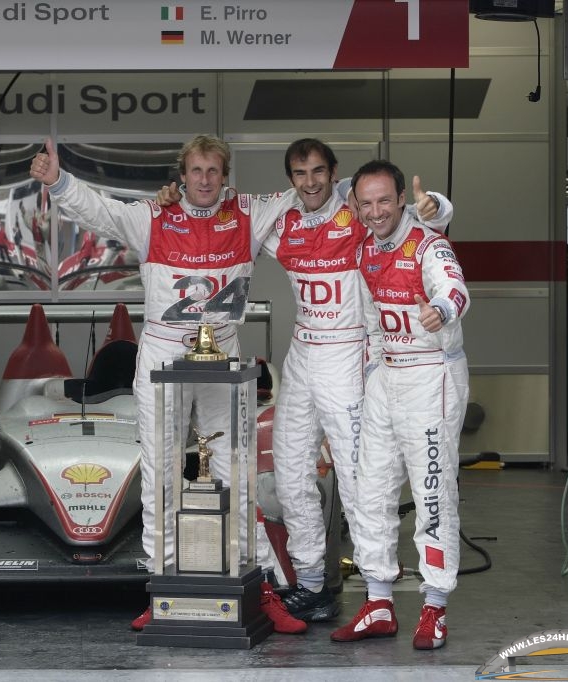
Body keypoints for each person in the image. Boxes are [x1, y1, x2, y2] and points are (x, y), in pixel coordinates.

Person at [158, 139, 452, 624]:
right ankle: (312, 581)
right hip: (302, 354)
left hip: (348, 355)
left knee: (361, 483)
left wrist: (435, 205)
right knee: (291, 473)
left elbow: (423, 221)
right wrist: (175, 198)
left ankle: (377, 591)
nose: (310, 181)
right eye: (300, 173)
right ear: (290, 179)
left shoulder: (361, 214)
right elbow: (219, 217)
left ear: (334, 174)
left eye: (319, 171)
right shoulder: (284, 220)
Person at [29, 135, 307, 635]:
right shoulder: (152, 216)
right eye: (196, 171)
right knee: (160, 474)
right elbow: (100, 212)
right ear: (182, 175)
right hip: (162, 352)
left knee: (235, 472)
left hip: (223, 356)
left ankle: (262, 587)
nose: (204, 180)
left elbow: (311, 194)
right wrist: (60, 182)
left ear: (226, 176)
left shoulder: (248, 212)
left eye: (213, 172)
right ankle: (163, 589)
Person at [330, 159, 470, 650]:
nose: (374, 211)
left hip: (431, 377)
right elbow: (370, 319)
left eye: (384, 201)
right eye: (365, 203)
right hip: (385, 378)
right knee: (369, 490)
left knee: (431, 493)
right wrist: (372, 372)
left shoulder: (429, 242)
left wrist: (443, 309)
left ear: (402, 200)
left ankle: (434, 606)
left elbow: (456, 289)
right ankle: (379, 600)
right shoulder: (366, 249)